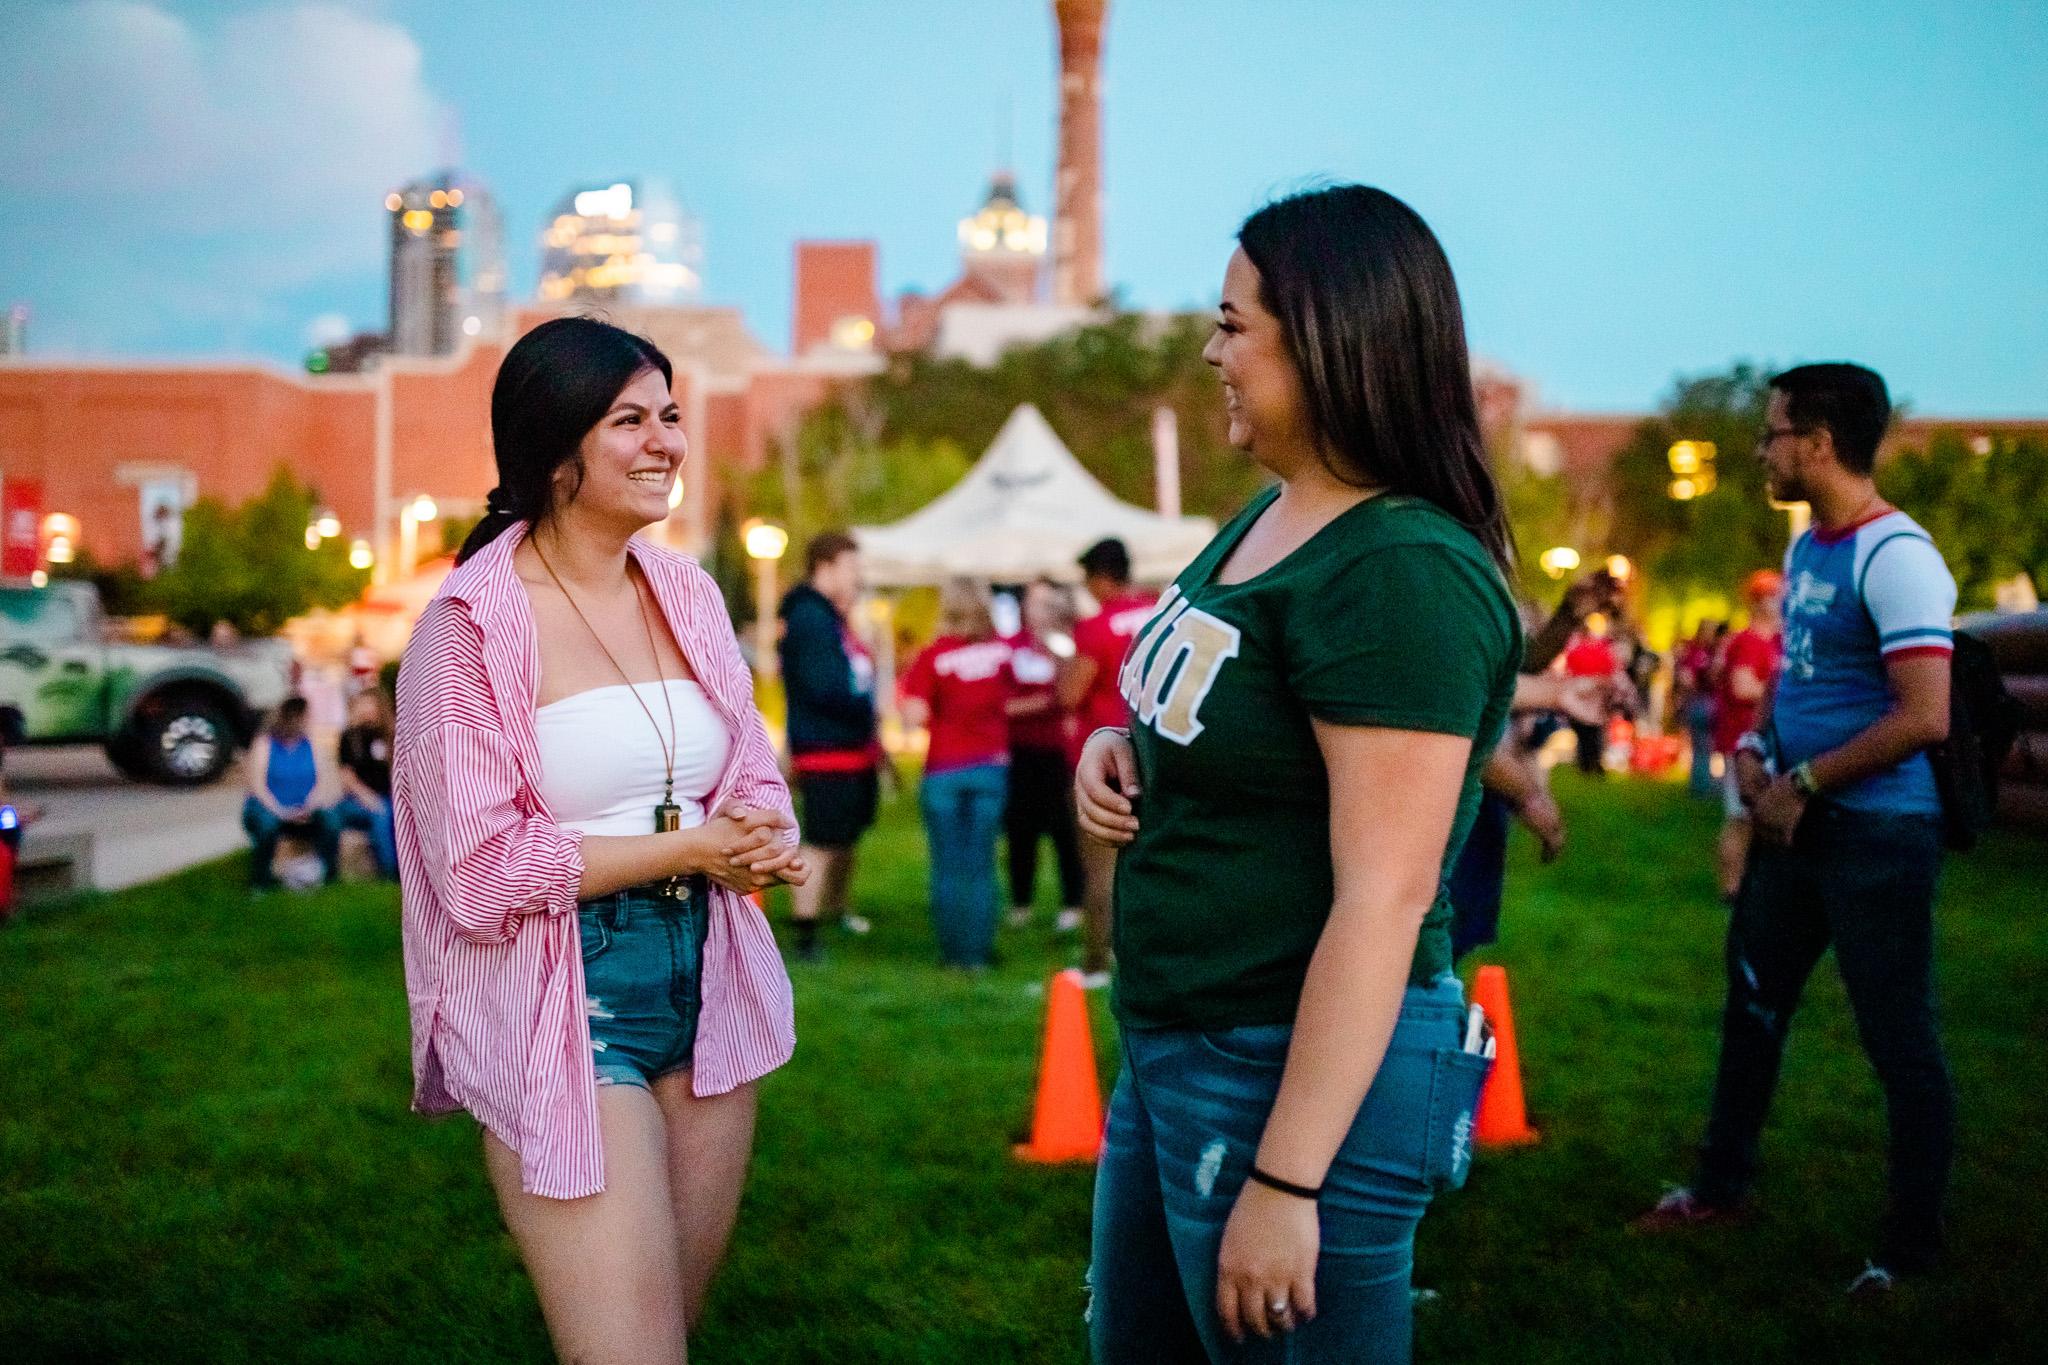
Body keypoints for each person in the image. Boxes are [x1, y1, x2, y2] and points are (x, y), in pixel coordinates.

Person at [1075, 185, 1520, 1363]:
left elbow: (1385, 892)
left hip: (1286, 1076)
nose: (1209, 352)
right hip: (1184, 1044)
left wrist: (1286, 1179)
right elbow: (1229, 718)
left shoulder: (1399, 569)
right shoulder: (1272, 514)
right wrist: (1118, 746)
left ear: (1326, 340)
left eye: (1232, 324)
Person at [393, 317, 808, 1362]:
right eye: (630, 420)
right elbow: (479, 876)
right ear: (555, 449)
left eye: (670, 415)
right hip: (565, 997)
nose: (665, 440)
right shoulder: (470, 628)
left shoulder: (686, 592)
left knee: (665, 1328)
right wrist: (690, 852)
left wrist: (761, 833)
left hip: (708, 985)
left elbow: (745, 762)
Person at [1638, 363, 1958, 1297]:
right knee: (1751, 1006)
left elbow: (1924, 714)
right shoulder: (1807, 550)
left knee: (1900, 1038)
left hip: (1878, 838)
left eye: (1773, 433)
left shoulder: (1894, 556)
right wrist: (1760, 751)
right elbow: (1802, 676)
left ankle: (1906, 1251)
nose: (1761, 451)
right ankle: (1719, 1189)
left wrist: (1808, 781)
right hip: (1797, 827)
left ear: (1818, 443)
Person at [900, 579, 1018, 969]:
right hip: (990, 768)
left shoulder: (933, 656)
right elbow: (1023, 693)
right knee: (982, 863)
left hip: (944, 770)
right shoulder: (1002, 652)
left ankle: (953, 955)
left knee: (947, 866)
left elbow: (914, 715)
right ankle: (980, 953)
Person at [778, 529, 882, 961]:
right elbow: (825, 687)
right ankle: (806, 934)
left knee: (842, 837)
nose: (858, 577)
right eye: (851, 568)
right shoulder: (811, 618)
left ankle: (833, 909)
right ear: (826, 566)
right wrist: (863, 707)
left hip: (847, 747)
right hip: (827, 749)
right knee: (820, 841)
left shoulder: (829, 617)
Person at [1063, 538, 1157, 976]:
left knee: (1101, 867)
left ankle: (1097, 963)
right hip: (1158, 752)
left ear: (1100, 578)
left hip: (1106, 757)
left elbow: (1070, 693)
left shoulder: (1096, 627)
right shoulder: (1160, 610)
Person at [1004, 578, 1085, 927]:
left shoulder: (1069, 644)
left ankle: (1074, 902)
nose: (1040, 609)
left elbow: (1073, 695)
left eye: (1047, 602)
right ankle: (1021, 901)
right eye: (1034, 601)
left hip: (1059, 752)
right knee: (1020, 829)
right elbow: (998, 700)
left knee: (1065, 829)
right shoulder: (1010, 647)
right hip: (1019, 751)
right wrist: (1042, 702)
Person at [1710, 570, 1784, 899]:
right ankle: (1731, 888)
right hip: (1742, 741)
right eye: (1774, 595)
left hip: (1766, 742)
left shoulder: (1777, 641)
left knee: (1760, 820)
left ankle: (1753, 886)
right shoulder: (1748, 642)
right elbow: (1742, 687)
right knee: (1740, 818)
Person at [242, 695, 340, 891]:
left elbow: (319, 783)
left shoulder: (310, 744)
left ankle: (328, 874)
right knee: (267, 825)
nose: (311, 720)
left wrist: (309, 805)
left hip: (303, 808)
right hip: (269, 807)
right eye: (308, 716)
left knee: (331, 821)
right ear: (295, 718)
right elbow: (258, 787)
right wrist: (281, 812)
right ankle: (261, 881)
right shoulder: (265, 744)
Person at [335, 687, 398, 879]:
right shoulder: (349, 737)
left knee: (396, 812)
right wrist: (367, 797)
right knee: (382, 812)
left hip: (391, 796)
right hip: (359, 800)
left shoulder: (392, 734)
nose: (364, 708)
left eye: (368, 703)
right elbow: (347, 776)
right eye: (361, 704)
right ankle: (390, 871)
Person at [1675, 620, 1724, 800]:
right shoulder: (1708, 654)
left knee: (1700, 747)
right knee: (1703, 746)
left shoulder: (1693, 653)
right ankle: (1702, 787)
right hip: (1704, 701)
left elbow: (1684, 677)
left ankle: (1699, 784)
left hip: (1698, 701)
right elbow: (1688, 679)